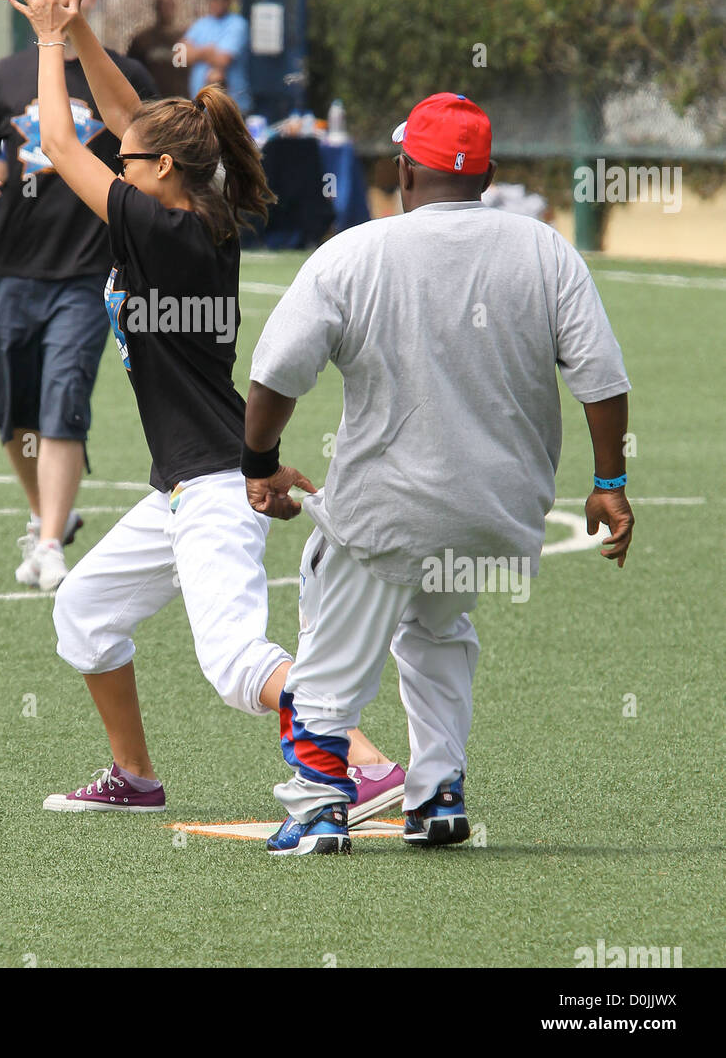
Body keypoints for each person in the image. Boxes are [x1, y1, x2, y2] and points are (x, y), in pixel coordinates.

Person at [7, 0, 404, 821]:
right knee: (83, 611)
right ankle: (135, 780)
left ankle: (369, 765)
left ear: (155, 173)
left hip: (217, 482)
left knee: (233, 664)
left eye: (133, 155)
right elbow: (123, 116)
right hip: (184, 480)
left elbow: (65, 139)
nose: (123, 153)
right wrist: (76, 25)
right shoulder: (199, 206)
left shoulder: (163, 229)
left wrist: (43, 41)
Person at [242, 92, 634, 855]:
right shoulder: (544, 249)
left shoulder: (354, 252)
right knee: (438, 630)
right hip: (497, 515)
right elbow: (601, 379)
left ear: (401, 170)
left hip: (383, 513)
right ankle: (437, 796)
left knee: (328, 647)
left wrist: (259, 464)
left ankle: (321, 805)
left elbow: (274, 378)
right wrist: (610, 484)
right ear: (485, 174)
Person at [0, 0, 159, 593]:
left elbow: (147, 147)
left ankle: (48, 544)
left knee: (63, 398)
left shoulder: (120, 75)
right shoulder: (5, 74)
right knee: (13, 411)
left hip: (89, 268)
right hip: (13, 264)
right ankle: (48, 517)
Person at [180, 0, 251, 114]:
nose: (217, 1)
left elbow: (222, 59)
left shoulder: (237, 24)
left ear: (229, 0)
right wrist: (207, 52)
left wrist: (195, 53)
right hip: (200, 108)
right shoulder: (201, 25)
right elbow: (180, 56)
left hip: (231, 109)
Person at [126, 0, 188, 98]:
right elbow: (132, 69)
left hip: (178, 100)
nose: (166, 10)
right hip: (151, 100)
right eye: (162, 5)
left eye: (169, 6)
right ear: (156, 8)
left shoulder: (184, 38)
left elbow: (185, 71)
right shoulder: (142, 39)